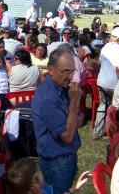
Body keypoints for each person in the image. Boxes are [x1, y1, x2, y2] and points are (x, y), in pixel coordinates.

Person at [31, 47, 83, 194]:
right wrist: (74, 104)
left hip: (65, 157)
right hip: (56, 162)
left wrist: (72, 117)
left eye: (72, 71)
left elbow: (79, 120)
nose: (70, 77)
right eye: (66, 71)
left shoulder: (63, 88)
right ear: (51, 69)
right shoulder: (48, 98)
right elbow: (67, 136)